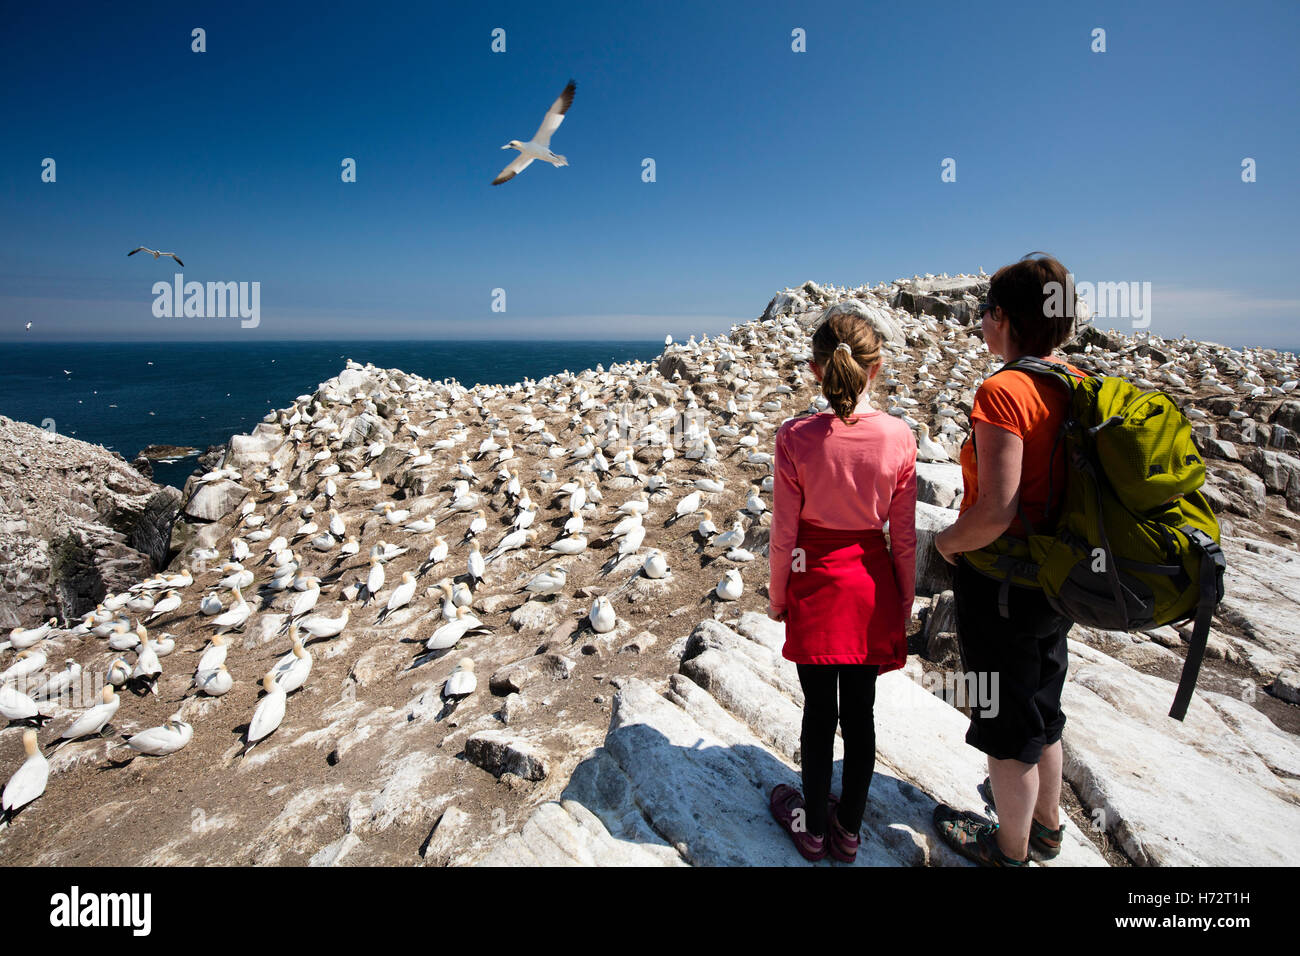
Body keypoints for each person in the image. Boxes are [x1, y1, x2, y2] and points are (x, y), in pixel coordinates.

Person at [931, 253, 1085, 866]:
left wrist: (943, 546)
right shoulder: (1071, 382)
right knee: (1042, 710)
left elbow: (996, 511)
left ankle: (1009, 851)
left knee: (1006, 733)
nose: (982, 324)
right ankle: (1047, 828)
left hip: (1003, 588)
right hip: (1057, 582)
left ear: (1001, 317)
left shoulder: (1003, 391)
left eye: (985, 314)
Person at [766, 304, 917, 863]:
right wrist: (903, 599)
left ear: (815, 369)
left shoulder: (795, 437)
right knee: (861, 715)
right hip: (871, 587)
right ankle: (848, 831)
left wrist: (779, 594)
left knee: (817, 714)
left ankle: (808, 827)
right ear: (874, 370)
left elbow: (784, 534)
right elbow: (903, 537)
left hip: (814, 581)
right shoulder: (899, 436)